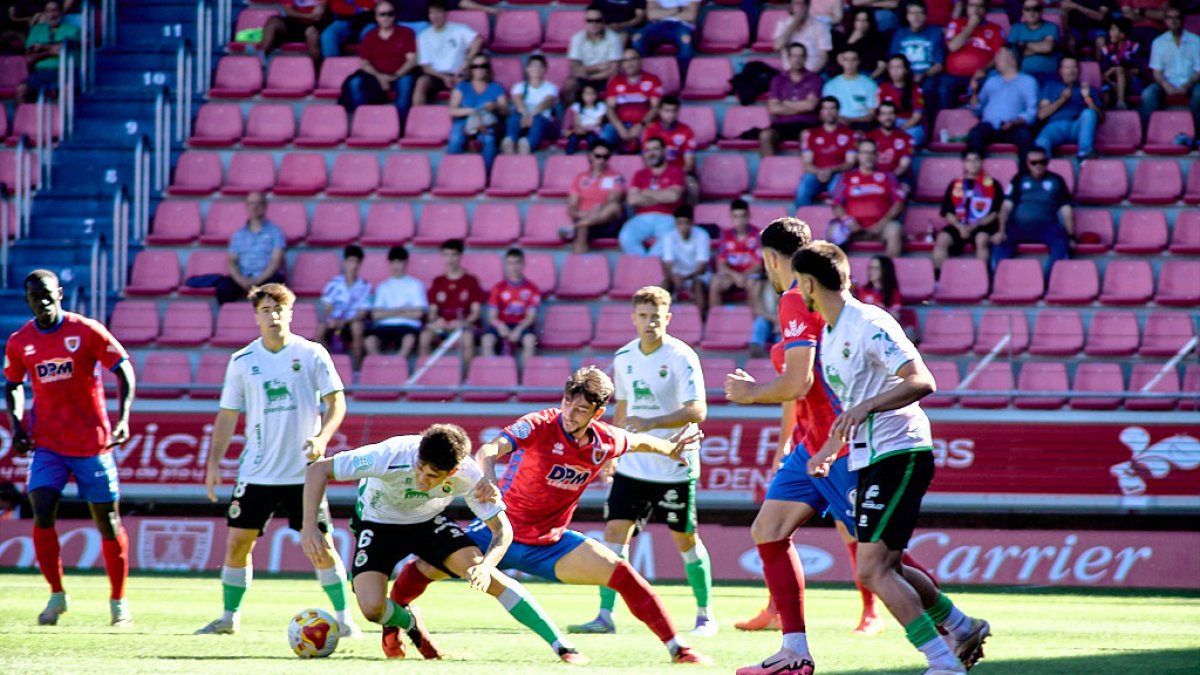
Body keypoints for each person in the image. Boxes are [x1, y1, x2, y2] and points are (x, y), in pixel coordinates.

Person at [385, 366, 713, 665]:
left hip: (550, 544)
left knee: (622, 574)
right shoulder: (540, 424)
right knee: (424, 567)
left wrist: (669, 449)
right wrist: (488, 477)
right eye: (568, 404)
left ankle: (678, 649)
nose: (570, 414)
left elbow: (639, 441)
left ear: (598, 413)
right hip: (498, 531)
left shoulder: (604, 441)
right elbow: (489, 449)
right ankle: (392, 626)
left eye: (581, 410)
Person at [796, 240, 990, 675]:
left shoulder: (868, 321)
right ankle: (961, 626)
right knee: (889, 565)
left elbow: (922, 380)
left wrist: (867, 408)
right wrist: (829, 451)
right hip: (869, 455)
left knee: (871, 569)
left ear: (808, 283)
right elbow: (852, 405)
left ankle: (943, 663)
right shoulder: (828, 335)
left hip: (900, 449)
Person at [721, 218, 881, 672]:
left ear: (772, 258)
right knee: (768, 530)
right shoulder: (815, 299)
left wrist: (751, 392)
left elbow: (799, 380)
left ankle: (952, 626)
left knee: (881, 558)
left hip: (839, 445)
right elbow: (805, 384)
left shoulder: (794, 299)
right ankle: (795, 652)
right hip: (813, 445)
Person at [300, 424, 587, 663]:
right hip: (378, 524)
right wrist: (310, 526)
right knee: (372, 609)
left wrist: (487, 566)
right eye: (420, 470)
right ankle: (409, 622)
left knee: (488, 577)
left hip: (428, 522)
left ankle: (562, 645)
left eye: (433, 477)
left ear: (452, 472)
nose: (422, 480)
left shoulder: (469, 476)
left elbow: (503, 531)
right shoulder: (388, 454)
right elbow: (317, 471)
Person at [197, 283, 357, 637]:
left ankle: (345, 620)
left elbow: (337, 402)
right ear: (256, 316)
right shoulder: (242, 361)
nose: (273, 316)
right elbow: (227, 415)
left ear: (290, 312)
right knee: (238, 542)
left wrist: (322, 438)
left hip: (305, 473)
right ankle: (228, 618)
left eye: (279, 309)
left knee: (320, 546)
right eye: (266, 310)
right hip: (257, 472)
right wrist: (213, 464)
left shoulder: (312, 353)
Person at [568, 286, 714, 637]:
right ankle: (605, 615)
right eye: (644, 316)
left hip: (674, 464)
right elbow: (622, 408)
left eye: (656, 316)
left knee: (685, 539)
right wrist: (611, 453)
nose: (650, 322)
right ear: (634, 318)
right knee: (615, 534)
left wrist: (652, 422)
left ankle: (705, 615)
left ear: (668, 318)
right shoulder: (624, 358)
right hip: (634, 464)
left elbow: (699, 410)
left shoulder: (681, 356)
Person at [4, 270, 136, 626]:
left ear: (60, 293)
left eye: (48, 295)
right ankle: (57, 595)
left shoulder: (86, 330)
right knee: (41, 507)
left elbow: (124, 371)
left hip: (92, 442)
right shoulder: (20, 342)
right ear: (28, 300)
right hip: (48, 442)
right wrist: (16, 425)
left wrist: (122, 419)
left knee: (107, 521)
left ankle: (118, 601)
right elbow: (13, 384)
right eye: (35, 297)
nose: (43, 302)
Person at [990, 147, 1074, 278]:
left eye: (1042, 162)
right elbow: (1006, 207)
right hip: (1018, 227)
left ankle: (1050, 281)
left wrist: (1071, 236)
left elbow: (1066, 209)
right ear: (1027, 163)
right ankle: (999, 280)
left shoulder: (1057, 180)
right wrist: (1001, 231)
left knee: (1061, 241)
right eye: (1034, 162)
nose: (1038, 165)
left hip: (1046, 228)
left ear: (1047, 162)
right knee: (1000, 242)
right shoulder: (1018, 179)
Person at [337, 1, 418, 130]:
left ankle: (399, 127)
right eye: (382, 14)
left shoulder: (406, 33)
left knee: (406, 83)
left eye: (390, 14)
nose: (386, 18)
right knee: (354, 82)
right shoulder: (369, 36)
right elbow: (364, 63)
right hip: (376, 76)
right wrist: (380, 78)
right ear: (376, 17)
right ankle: (363, 123)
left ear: (395, 16)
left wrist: (395, 76)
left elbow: (412, 60)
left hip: (400, 74)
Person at [206, 191, 286, 306]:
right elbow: (231, 261)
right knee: (223, 288)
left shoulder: (276, 232)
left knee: (273, 289)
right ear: (246, 207)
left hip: (265, 277)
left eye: (258, 203)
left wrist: (257, 281)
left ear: (265, 206)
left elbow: (276, 261)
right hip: (242, 277)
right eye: (251, 203)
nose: (255, 207)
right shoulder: (238, 234)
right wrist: (240, 280)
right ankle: (228, 321)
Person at [830, 139, 906, 259]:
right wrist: (849, 221)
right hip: (853, 227)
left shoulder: (888, 176)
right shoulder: (846, 177)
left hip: (881, 226)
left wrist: (882, 223)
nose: (868, 157)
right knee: (833, 230)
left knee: (895, 229)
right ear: (858, 155)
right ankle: (835, 274)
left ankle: (888, 272)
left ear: (877, 156)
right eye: (865, 153)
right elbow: (836, 204)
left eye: (872, 153)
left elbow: (899, 203)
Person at [932, 149, 1002, 275]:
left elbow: (995, 213)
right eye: (969, 160)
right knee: (942, 239)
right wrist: (960, 227)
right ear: (963, 163)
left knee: (982, 239)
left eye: (976, 160)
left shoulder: (993, 184)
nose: (973, 164)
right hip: (959, 225)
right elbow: (947, 211)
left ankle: (982, 277)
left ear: (982, 162)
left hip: (982, 226)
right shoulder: (955, 184)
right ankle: (938, 279)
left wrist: (974, 226)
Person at [965, 47, 1039, 165]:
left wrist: (1014, 122)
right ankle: (972, 177)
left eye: (1000, 55)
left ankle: (1023, 179)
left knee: (1026, 138)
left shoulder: (1028, 81)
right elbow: (977, 109)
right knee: (974, 135)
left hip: (1014, 126)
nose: (995, 59)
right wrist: (974, 92)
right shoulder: (991, 81)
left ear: (1012, 60)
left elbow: (1032, 112)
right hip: (989, 125)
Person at [618, 136, 687, 255]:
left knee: (668, 241)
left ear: (664, 151)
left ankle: (649, 266)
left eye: (655, 149)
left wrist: (646, 193)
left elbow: (673, 197)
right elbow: (632, 200)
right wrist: (662, 195)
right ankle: (646, 265)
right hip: (642, 218)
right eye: (648, 150)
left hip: (668, 217)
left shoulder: (676, 171)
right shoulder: (640, 174)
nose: (651, 153)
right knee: (625, 237)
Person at [1139, 5, 1200, 136]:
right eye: (1169, 18)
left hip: (1191, 83)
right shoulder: (1158, 42)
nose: (1173, 21)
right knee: (1148, 94)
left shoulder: (1196, 41)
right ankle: (1146, 135)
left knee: (1199, 94)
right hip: (1166, 83)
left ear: (1182, 21)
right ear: (1165, 21)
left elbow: (1198, 70)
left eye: (1177, 18)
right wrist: (1166, 85)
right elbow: (1157, 72)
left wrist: (1187, 85)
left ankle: (1197, 135)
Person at [420, 238, 484, 363]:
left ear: (460, 256)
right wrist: (437, 320)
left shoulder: (471, 281)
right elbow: (432, 311)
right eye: (446, 255)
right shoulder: (438, 281)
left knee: (468, 339)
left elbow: (476, 312)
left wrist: (462, 322)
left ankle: (466, 378)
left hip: (463, 326)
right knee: (424, 337)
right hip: (443, 326)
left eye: (453, 255)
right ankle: (425, 377)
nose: (450, 259)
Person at [939, 0, 1005, 113]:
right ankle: (947, 126)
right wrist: (971, 25)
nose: (976, 9)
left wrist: (984, 70)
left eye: (980, 6)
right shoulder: (956, 23)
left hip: (982, 76)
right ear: (967, 7)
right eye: (972, 5)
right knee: (943, 89)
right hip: (954, 76)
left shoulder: (995, 29)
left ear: (985, 9)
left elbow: (999, 55)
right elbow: (952, 47)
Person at [759, 42, 823, 158]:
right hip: (782, 124)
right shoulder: (778, 80)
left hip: (806, 123)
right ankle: (769, 172)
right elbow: (773, 109)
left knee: (806, 135)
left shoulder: (815, 79)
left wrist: (785, 103)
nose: (797, 60)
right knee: (765, 135)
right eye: (794, 56)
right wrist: (801, 106)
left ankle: (805, 172)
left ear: (805, 58)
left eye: (800, 56)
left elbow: (810, 106)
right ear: (788, 58)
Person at [413, 0, 483, 106]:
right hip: (436, 75)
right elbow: (426, 67)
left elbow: (478, 40)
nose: (435, 16)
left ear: (445, 14)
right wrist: (443, 77)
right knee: (421, 82)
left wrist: (468, 61)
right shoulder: (423, 36)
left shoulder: (459, 29)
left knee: (463, 85)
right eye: (432, 13)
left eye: (438, 12)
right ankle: (418, 117)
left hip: (458, 73)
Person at [1035, 56, 1104, 161]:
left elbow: (1100, 117)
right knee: (1041, 143)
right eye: (1067, 68)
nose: (1071, 71)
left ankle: (1085, 154)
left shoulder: (1087, 88)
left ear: (1079, 71)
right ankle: (1045, 171)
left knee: (1088, 113)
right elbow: (1041, 114)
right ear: (1060, 71)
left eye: (1074, 68)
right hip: (1056, 127)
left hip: (1077, 127)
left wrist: (1087, 98)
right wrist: (1062, 99)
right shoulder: (1050, 86)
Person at [448, 54, 508, 173]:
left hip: (487, 121)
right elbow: (453, 110)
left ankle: (485, 175)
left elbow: (505, 111)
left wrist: (495, 106)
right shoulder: (463, 86)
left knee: (489, 139)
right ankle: (451, 173)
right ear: (471, 69)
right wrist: (473, 111)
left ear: (488, 68)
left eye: (483, 66)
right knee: (456, 138)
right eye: (475, 66)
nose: (479, 69)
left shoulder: (495, 87)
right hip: (464, 119)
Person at [564, 141, 627, 253]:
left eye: (605, 157)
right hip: (586, 217)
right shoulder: (580, 177)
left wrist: (597, 210)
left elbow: (613, 200)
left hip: (607, 221)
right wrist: (586, 214)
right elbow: (572, 206)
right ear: (590, 156)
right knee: (583, 229)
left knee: (614, 207)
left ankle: (577, 226)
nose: (601, 160)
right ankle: (580, 265)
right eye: (598, 156)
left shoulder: (616, 177)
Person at [366, 245, 427, 359]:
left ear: (406, 263)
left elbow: (418, 314)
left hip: (408, 326)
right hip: (385, 326)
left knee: (409, 340)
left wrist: (388, 312)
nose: (396, 265)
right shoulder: (383, 286)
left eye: (399, 262)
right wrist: (402, 310)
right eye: (393, 262)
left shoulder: (416, 285)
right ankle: (382, 367)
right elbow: (376, 315)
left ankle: (397, 366)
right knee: (370, 341)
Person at [794, 97, 857, 207]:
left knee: (840, 193)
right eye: (825, 109)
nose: (829, 112)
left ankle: (837, 223)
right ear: (821, 112)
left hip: (838, 174)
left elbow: (850, 163)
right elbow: (807, 163)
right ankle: (801, 223)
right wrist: (820, 172)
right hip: (815, 173)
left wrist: (830, 170)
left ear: (838, 111)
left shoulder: (849, 133)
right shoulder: (812, 134)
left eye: (832, 108)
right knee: (802, 191)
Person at [481, 248, 541, 362]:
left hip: (522, 326)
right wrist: (500, 326)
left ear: (523, 264)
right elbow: (492, 316)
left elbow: (531, 317)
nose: (514, 267)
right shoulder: (497, 288)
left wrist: (519, 329)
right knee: (487, 340)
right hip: (502, 325)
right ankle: (492, 376)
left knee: (530, 340)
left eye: (518, 262)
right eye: (510, 263)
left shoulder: (532, 288)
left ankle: (524, 378)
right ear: (505, 265)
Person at [889, 0, 945, 118]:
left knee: (929, 91)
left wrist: (923, 75)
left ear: (925, 16)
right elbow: (893, 60)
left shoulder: (935, 32)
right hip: (904, 75)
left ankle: (929, 130)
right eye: (912, 13)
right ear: (907, 16)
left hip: (927, 75)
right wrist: (905, 75)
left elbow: (939, 65)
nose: (916, 17)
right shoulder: (900, 34)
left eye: (920, 13)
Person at [603, 48, 663, 153]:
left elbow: (655, 107)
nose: (629, 64)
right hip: (620, 124)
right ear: (622, 64)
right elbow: (609, 109)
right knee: (605, 136)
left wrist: (641, 125)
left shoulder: (653, 80)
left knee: (650, 142)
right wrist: (620, 127)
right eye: (625, 60)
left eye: (633, 59)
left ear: (640, 61)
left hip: (645, 124)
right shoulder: (615, 81)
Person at [320, 244, 371, 367]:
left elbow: (362, 313)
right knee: (319, 330)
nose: (353, 265)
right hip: (335, 321)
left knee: (357, 328)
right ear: (344, 263)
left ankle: (357, 369)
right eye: (350, 261)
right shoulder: (333, 283)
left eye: (357, 262)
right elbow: (327, 308)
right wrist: (331, 320)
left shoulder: (365, 286)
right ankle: (327, 366)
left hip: (352, 322)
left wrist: (345, 321)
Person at [709, 198, 764, 312]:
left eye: (742, 216)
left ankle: (752, 323)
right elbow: (721, 265)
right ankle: (716, 322)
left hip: (749, 275)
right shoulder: (725, 235)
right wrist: (735, 275)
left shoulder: (757, 235)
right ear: (731, 217)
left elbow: (758, 266)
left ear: (748, 216)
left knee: (754, 285)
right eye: (735, 216)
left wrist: (743, 275)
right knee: (715, 283)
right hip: (731, 275)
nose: (739, 220)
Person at [641, 96, 698, 204]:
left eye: (674, 111)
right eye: (667, 111)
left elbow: (689, 163)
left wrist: (675, 177)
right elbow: (646, 159)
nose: (671, 114)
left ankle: (687, 217)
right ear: (659, 111)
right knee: (640, 189)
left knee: (693, 186)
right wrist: (660, 175)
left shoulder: (686, 131)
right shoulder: (650, 130)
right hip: (656, 174)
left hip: (682, 174)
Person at [17, 1, 78, 102]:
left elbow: (64, 48)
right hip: (40, 73)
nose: (52, 15)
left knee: (67, 89)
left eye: (55, 11)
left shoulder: (73, 30)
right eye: (48, 11)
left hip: (65, 71)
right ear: (44, 13)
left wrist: (41, 47)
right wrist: (50, 51)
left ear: (61, 12)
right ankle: (24, 117)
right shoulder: (36, 30)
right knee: (22, 89)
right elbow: (30, 57)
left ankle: (61, 117)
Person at [565, 4, 624, 106]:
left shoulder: (614, 38)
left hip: (604, 78)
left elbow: (614, 70)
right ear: (585, 22)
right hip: (584, 77)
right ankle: (572, 116)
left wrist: (590, 74)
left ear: (603, 22)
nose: (593, 24)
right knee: (569, 84)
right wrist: (599, 67)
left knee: (614, 82)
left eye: (597, 20)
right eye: (590, 20)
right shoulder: (577, 38)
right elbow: (574, 68)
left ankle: (606, 119)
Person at [659, 206, 711, 316]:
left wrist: (684, 278)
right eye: (680, 223)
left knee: (698, 285)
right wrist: (674, 277)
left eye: (686, 223)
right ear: (676, 224)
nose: (683, 226)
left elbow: (701, 267)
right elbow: (667, 264)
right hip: (677, 275)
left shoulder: (702, 235)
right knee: (664, 286)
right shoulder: (669, 237)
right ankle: (659, 321)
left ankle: (701, 320)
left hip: (696, 275)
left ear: (692, 223)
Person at [503, 55, 560, 155]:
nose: (536, 69)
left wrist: (531, 116)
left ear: (545, 70)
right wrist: (525, 114)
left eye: (540, 66)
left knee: (538, 121)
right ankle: (510, 141)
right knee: (514, 118)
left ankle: (527, 145)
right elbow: (518, 101)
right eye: (533, 66)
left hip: (542, 121)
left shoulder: (551, 87)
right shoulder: (519, 86)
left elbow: (546, 103)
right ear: (527, 69)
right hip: (523, 119)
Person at [631, 0, 700, 79]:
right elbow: (651, 14)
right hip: (658, 26)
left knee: (686, 40)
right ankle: (645, 76)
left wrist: (662, 12)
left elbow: (691, 16)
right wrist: (678, 9)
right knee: (637, 38)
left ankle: (680, 78)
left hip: (682, 25)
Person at [1007, 0, 1060, 88]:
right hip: (1022, 75)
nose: (1032, 12)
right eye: (1028, 9)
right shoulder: (1016, 28)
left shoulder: (1051, 27)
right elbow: (1012, 54)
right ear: (1023, 11)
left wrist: (1023, 44)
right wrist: (1039, 47)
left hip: (1048, 75)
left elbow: (1047, 47)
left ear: (1042, 10)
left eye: (1036, 9)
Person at [773, 0, 833, 76]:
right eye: (796, 4)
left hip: (814, 74)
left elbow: (823, 57)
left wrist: (810, 76)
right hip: (789, 75)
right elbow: (777, 46)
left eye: (802, 4)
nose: (800, 7)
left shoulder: (820, 26)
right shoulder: (782, 24)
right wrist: (794, 23)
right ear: (791, 6)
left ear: (807, 6)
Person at [824, 49, 879, 130]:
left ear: (859, 61)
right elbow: (825, 111)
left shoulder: (869, 84)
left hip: (862, 125)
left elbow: (872, 114)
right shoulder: (831, 85)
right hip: (837, 124)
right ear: (841, 61)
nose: (850, 63)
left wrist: (851, 120)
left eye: (853, 60)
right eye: (846, 60)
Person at [878, 56, 926, 148]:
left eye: (898, 67)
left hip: (910, 125)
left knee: (908, 140)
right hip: (888, 124)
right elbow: (880, 114)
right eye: (891, 67)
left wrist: (900, 130)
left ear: (906, 70)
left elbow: (917, 117)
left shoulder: (915, 89)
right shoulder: (883, 88)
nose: (895, 71)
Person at [259, 0, 326, 64]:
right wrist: (308, 16)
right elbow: (288, 11)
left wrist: (309, 17)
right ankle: (261, 58)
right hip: (295, 23)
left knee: (311, 33)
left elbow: (319, 14)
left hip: (314, 24)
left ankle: (316, 69)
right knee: (273, 21)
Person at [1096, 17, 1143, 110]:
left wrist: (1123, 73)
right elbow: (1103, 74)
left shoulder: (1134, 47)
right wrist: (1112, 71)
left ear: (1122, 34)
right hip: (1112, 82)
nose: (1110, 32)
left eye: (1113, 30)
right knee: (1106, 92)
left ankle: (1121, 102)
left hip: (1132, 82)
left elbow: (1140, 69)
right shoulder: (1107, 50)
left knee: (1120, 70)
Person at [866, 101, 915, 184]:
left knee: (903, 190)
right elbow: (864, 162)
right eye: (884, 114)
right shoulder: (869, 137)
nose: (888, 117)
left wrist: (888, 180)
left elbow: (903, 166)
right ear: (878, 117)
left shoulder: (907, 138)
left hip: (898, 177)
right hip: (872, 176)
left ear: (896, 116)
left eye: (891, 113)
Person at [833, 10, 888, 79]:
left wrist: (868, 80)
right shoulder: (846, 38)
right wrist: (853, 39)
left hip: (870, 75)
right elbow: (840, 57)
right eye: (858, 20)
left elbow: (881, 66)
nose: (861, 23)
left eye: (865, 20)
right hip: (848, 75)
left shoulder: (878, 40)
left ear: (870, 22)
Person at [565, 83, 609, 155]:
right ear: (582, 95)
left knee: (591, 139)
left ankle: (593, 156)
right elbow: (577, 121)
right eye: (587, 94)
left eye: (593, 94)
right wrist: (579, 128)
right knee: (573, 139)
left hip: (594, 130)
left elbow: (599, 122)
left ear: (596, 95)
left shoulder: (601, 106)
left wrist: (588, 128)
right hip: (580, 129)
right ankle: (569, 156)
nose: (590, 97)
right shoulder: (577, 106)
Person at [856, 255, 902, 319]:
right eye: (870, 268)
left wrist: (884, 310)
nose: (871, 272)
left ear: (885, 270)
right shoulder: (861, 291)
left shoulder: (894, 294)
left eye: (876, 268)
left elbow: (896, 316)